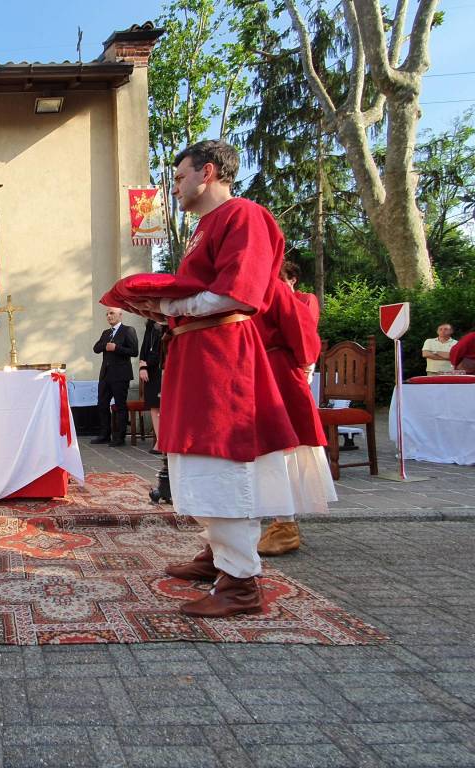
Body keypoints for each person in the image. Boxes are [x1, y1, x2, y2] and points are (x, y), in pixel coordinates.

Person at [126, 139, 298, 619]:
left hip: (223, 357)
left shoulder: (244, 215)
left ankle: (241, 581)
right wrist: (161, 309)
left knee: (222, 460)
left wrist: (167, 305)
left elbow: (238, 292)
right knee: (193, 454)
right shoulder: (206, 226)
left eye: (180, 177)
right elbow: (201, 290)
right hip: (198, 352)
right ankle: (218, 554)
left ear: (206, 173)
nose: (175, 186)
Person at [255, 263, 337, 556]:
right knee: (264, 448)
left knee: (281, 446)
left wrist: (305, 363)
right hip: (258, 369)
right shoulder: (250, 285)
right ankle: (271, 517)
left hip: (277, 371)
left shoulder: (274, 288)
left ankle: (285, 523)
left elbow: (302, 330)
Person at [90, 308, 138, 447]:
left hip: (121, 375)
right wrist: (106, 345)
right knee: (102, 404)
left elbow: (134, 351)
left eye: (112, 313)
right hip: (105, 375)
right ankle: (105, 434)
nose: (109, 316)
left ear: (120, 315)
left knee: (120, 406)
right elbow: (96, 348)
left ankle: (120, 437)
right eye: (107, 314)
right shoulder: (106, 333)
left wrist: (116, 348)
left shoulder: (128, 330)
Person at [138, 318, 165, 454]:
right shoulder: (150, 326)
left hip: (167, 368)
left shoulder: (171, 322)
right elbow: (144, 348)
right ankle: (160, 441)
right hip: (152, 371)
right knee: (155, 407)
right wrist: (142, 367)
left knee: (167, 407)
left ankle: (168, 441)